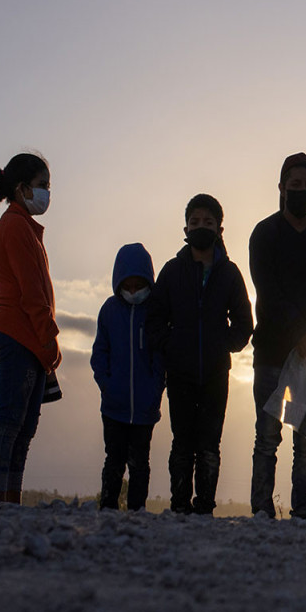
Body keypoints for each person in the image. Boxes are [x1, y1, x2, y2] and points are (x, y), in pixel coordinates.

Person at [249, 153, 306, 520]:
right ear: (282, 188)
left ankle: (302, 512)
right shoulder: (264, 234)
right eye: (295, 184)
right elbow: (267, 290)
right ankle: (261, 509)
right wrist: (298, 332)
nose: (302, 190)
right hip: (272, 354)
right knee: (267, 438)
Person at [147, 194, 253, 515]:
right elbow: (154, 319)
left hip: (216, 374)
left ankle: (204, 506)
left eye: (208, 222)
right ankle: (179, 506)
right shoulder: (172, 271)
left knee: (209, 444)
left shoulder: (230, 273)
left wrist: (225, 345)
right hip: (179, 373)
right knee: (182, 442)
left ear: (220, 229)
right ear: (185, 227)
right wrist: (170, 345)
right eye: (195, 222)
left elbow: (244, 322)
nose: (201, 227)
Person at [0, 153, 59, 505]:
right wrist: (48, 339)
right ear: (23, 188)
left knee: (24, 427)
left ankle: (10, 499)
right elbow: (31, 293)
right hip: (19, 334)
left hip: (26, 335)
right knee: (10, 421)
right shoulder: (15, 226)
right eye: (42, 186)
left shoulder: (24, 226)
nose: (46, 193)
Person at [91, 243, 166, 511]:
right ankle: (108, 507)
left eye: (139, 285)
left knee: (140, 462)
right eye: (128, 285)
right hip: (114, 407)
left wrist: (156, 390)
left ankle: (137, 510)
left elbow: (160, 358)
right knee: (114, 459)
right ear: (119, 282)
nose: (134, 291)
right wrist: (107, 384)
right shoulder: (109, 311)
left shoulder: (155, 312)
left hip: (145, 409)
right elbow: (99, 353)